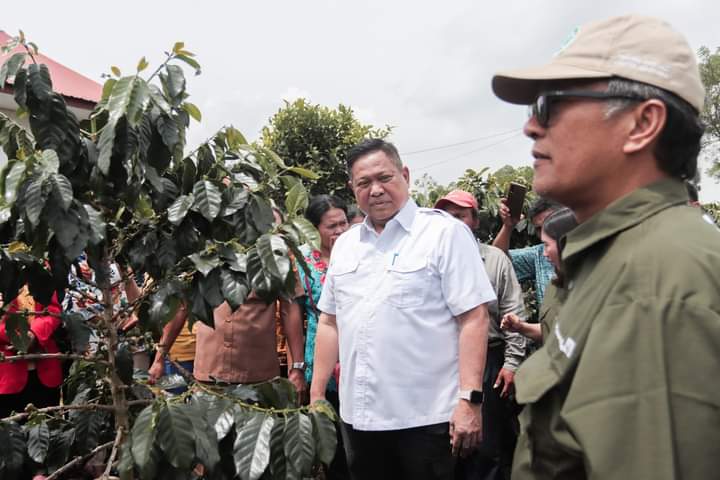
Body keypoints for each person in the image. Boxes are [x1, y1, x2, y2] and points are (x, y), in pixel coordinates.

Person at [491, 14, 719, 479]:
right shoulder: (612, 258)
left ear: (642, 123)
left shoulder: (658, 280)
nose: (531, 127)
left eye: (550, 106)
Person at [310, 139, 496, 480]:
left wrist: (470, 400)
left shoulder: (444, 234)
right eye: (364, 183)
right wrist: (317, 396)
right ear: (352, 189)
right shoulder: (347, 245)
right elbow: (329, 322)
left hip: (426, 419)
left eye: (385, 178)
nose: (376, 190)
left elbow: (474, 318)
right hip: (359, 419)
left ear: (405, 175)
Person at [434, 190, 527, 480]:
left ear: (474, 220)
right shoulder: (429, 260)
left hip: (488, 359)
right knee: (443, 442)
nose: (453, 222)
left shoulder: (494, 259)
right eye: (446, 216)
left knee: (486, 445)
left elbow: (513, 311)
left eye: (460, 216)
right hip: (443, 361)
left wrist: (511, 363)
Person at [298, 194, 350, 479]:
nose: (340, 231)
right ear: (314, 229)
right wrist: (297, 367)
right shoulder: (301, 261)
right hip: (321, 354)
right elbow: (292, 315)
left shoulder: (360, 252)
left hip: (358, 353)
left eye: (343, 223)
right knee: (332, 433)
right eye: (332, 226)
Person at [501, 208, 578, 343]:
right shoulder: (552, 283)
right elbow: (499, 260)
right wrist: (522, 327)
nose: (545, 253)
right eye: (538, 228)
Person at [1, 288, 63, 418]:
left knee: (49, 423)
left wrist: (35, 334)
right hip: (7, 373)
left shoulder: (41, 277)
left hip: (45, 366)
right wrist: (15, 337)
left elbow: (53, 310)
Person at [492, 197, 560, 306]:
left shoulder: (586, 250)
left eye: (549, 224)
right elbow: (497, 259)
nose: (544, 232)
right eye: (538, 229)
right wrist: (508, 226)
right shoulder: (540, 254)